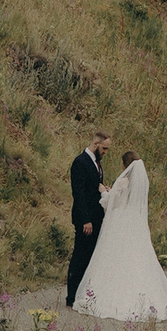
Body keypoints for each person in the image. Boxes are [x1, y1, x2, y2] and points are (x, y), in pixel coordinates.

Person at [73, 149, 167, 323]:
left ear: (125, 165)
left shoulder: (123, 181)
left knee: (115, 256)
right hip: (135, 222)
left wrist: (103, 191)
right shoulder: (140, 184)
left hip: (120, 221)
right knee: (136, 257)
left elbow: (109, 203)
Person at [65, 129, 110, 306]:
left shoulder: (96, 163)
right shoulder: (80, 162)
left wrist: (102, 189)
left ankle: (83, 294)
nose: (105, 153)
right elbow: (79, 193)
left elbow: (91, 188)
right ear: (96, 144)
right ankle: (71, 296)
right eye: (104, 148)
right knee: (80, 256)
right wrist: (85, 220)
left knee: (91, 256)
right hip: (86, 220)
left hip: (96, 217)